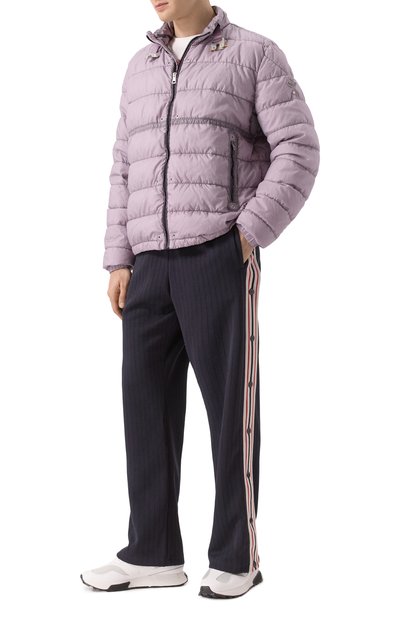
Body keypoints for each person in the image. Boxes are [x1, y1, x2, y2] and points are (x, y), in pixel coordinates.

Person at [80, 1, 320, 599]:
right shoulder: (140, 66)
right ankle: (153, 552)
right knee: (145, 409)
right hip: (147, 264)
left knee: (229, 411)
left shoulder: (254, 54)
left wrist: (247, 234)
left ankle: (238, 557)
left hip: (217, 252)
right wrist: (118, 256)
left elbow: (298, 149)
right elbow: (123, 167)